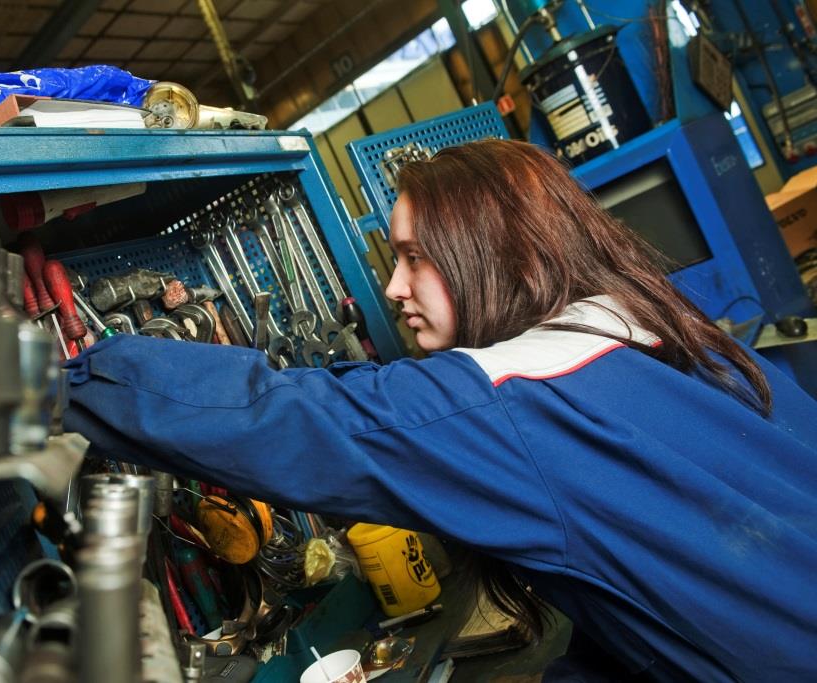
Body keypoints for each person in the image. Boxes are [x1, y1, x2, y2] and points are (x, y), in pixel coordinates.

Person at [64, 139, 817, 682]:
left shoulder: (517, 395)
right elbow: (657, 583)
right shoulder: (665, 326)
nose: (392, 288)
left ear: (506, 256)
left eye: (415, 257)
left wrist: (64, 381)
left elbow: (284, 418)